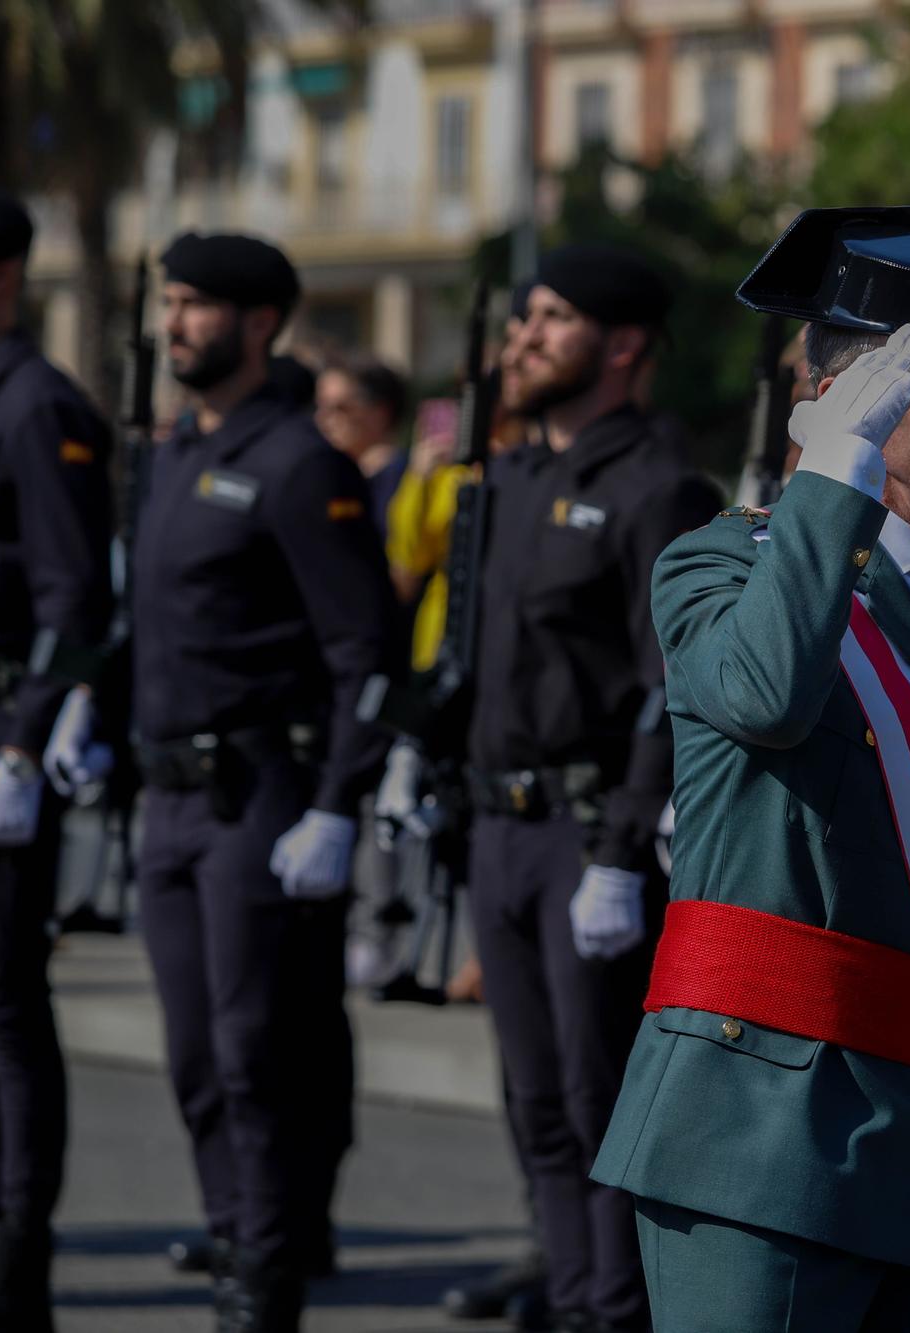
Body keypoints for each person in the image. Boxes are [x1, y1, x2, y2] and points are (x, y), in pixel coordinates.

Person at [595, 206, 910, 1331]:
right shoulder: (723, 564)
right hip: (765, 1136)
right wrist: (834, 475)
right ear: (864, 403)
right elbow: (764, 694)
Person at [379, 242, 719, 1333]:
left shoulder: (658, 486)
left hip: (585, 838)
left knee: (600, 1101)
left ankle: (618, 1312)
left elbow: (670, 687)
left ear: (620, 345)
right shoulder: (509, 477)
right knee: (533, 1105)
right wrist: (416, 751)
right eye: (523, 317)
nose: (521, 337)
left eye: (550, 319)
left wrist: (622, 852)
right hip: (495, 826)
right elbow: (473, 655)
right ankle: (575, 1299)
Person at [131, 231, 395, 1332]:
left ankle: (267, 1272)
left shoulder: (298, 462)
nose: (174, 323)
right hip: (170, 800)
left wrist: (336, 801)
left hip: (260, 796)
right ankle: (235, 1229)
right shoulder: (176, 453)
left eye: (196, 305)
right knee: (194, 1055)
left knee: (254, 1051)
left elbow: (363, 651)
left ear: (257, 323)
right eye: (171, 302)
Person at [0, 183, 113, 1332]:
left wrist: (24, 736)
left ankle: (18, 1250)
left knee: (5, 999)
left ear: (1, 277)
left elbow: (71, 592)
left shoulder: (38, 404)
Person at [314, 351, 411, 540]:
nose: (322, 419)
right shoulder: (329, 475)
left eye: (340, 408)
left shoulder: (406, 481)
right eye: (320, 407)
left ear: (380, 413)